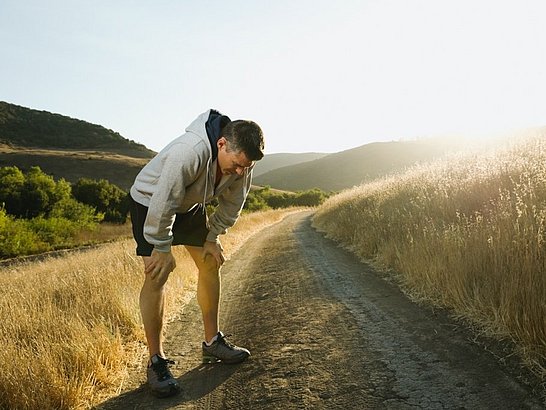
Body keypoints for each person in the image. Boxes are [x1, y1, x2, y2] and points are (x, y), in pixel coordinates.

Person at [129, 109, 264, 398]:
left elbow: (232, 204)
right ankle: (156, 362)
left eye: (246, 167)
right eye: (238, 164)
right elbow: (164, 200)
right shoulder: (188, 152)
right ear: (221, 145)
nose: (241, 172)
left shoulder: (243, 163)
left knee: (210, 261)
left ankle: (212, 341)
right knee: (158, 274)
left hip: (189, 205)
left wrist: (212, 237)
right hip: (150, 202)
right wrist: (162, 247)